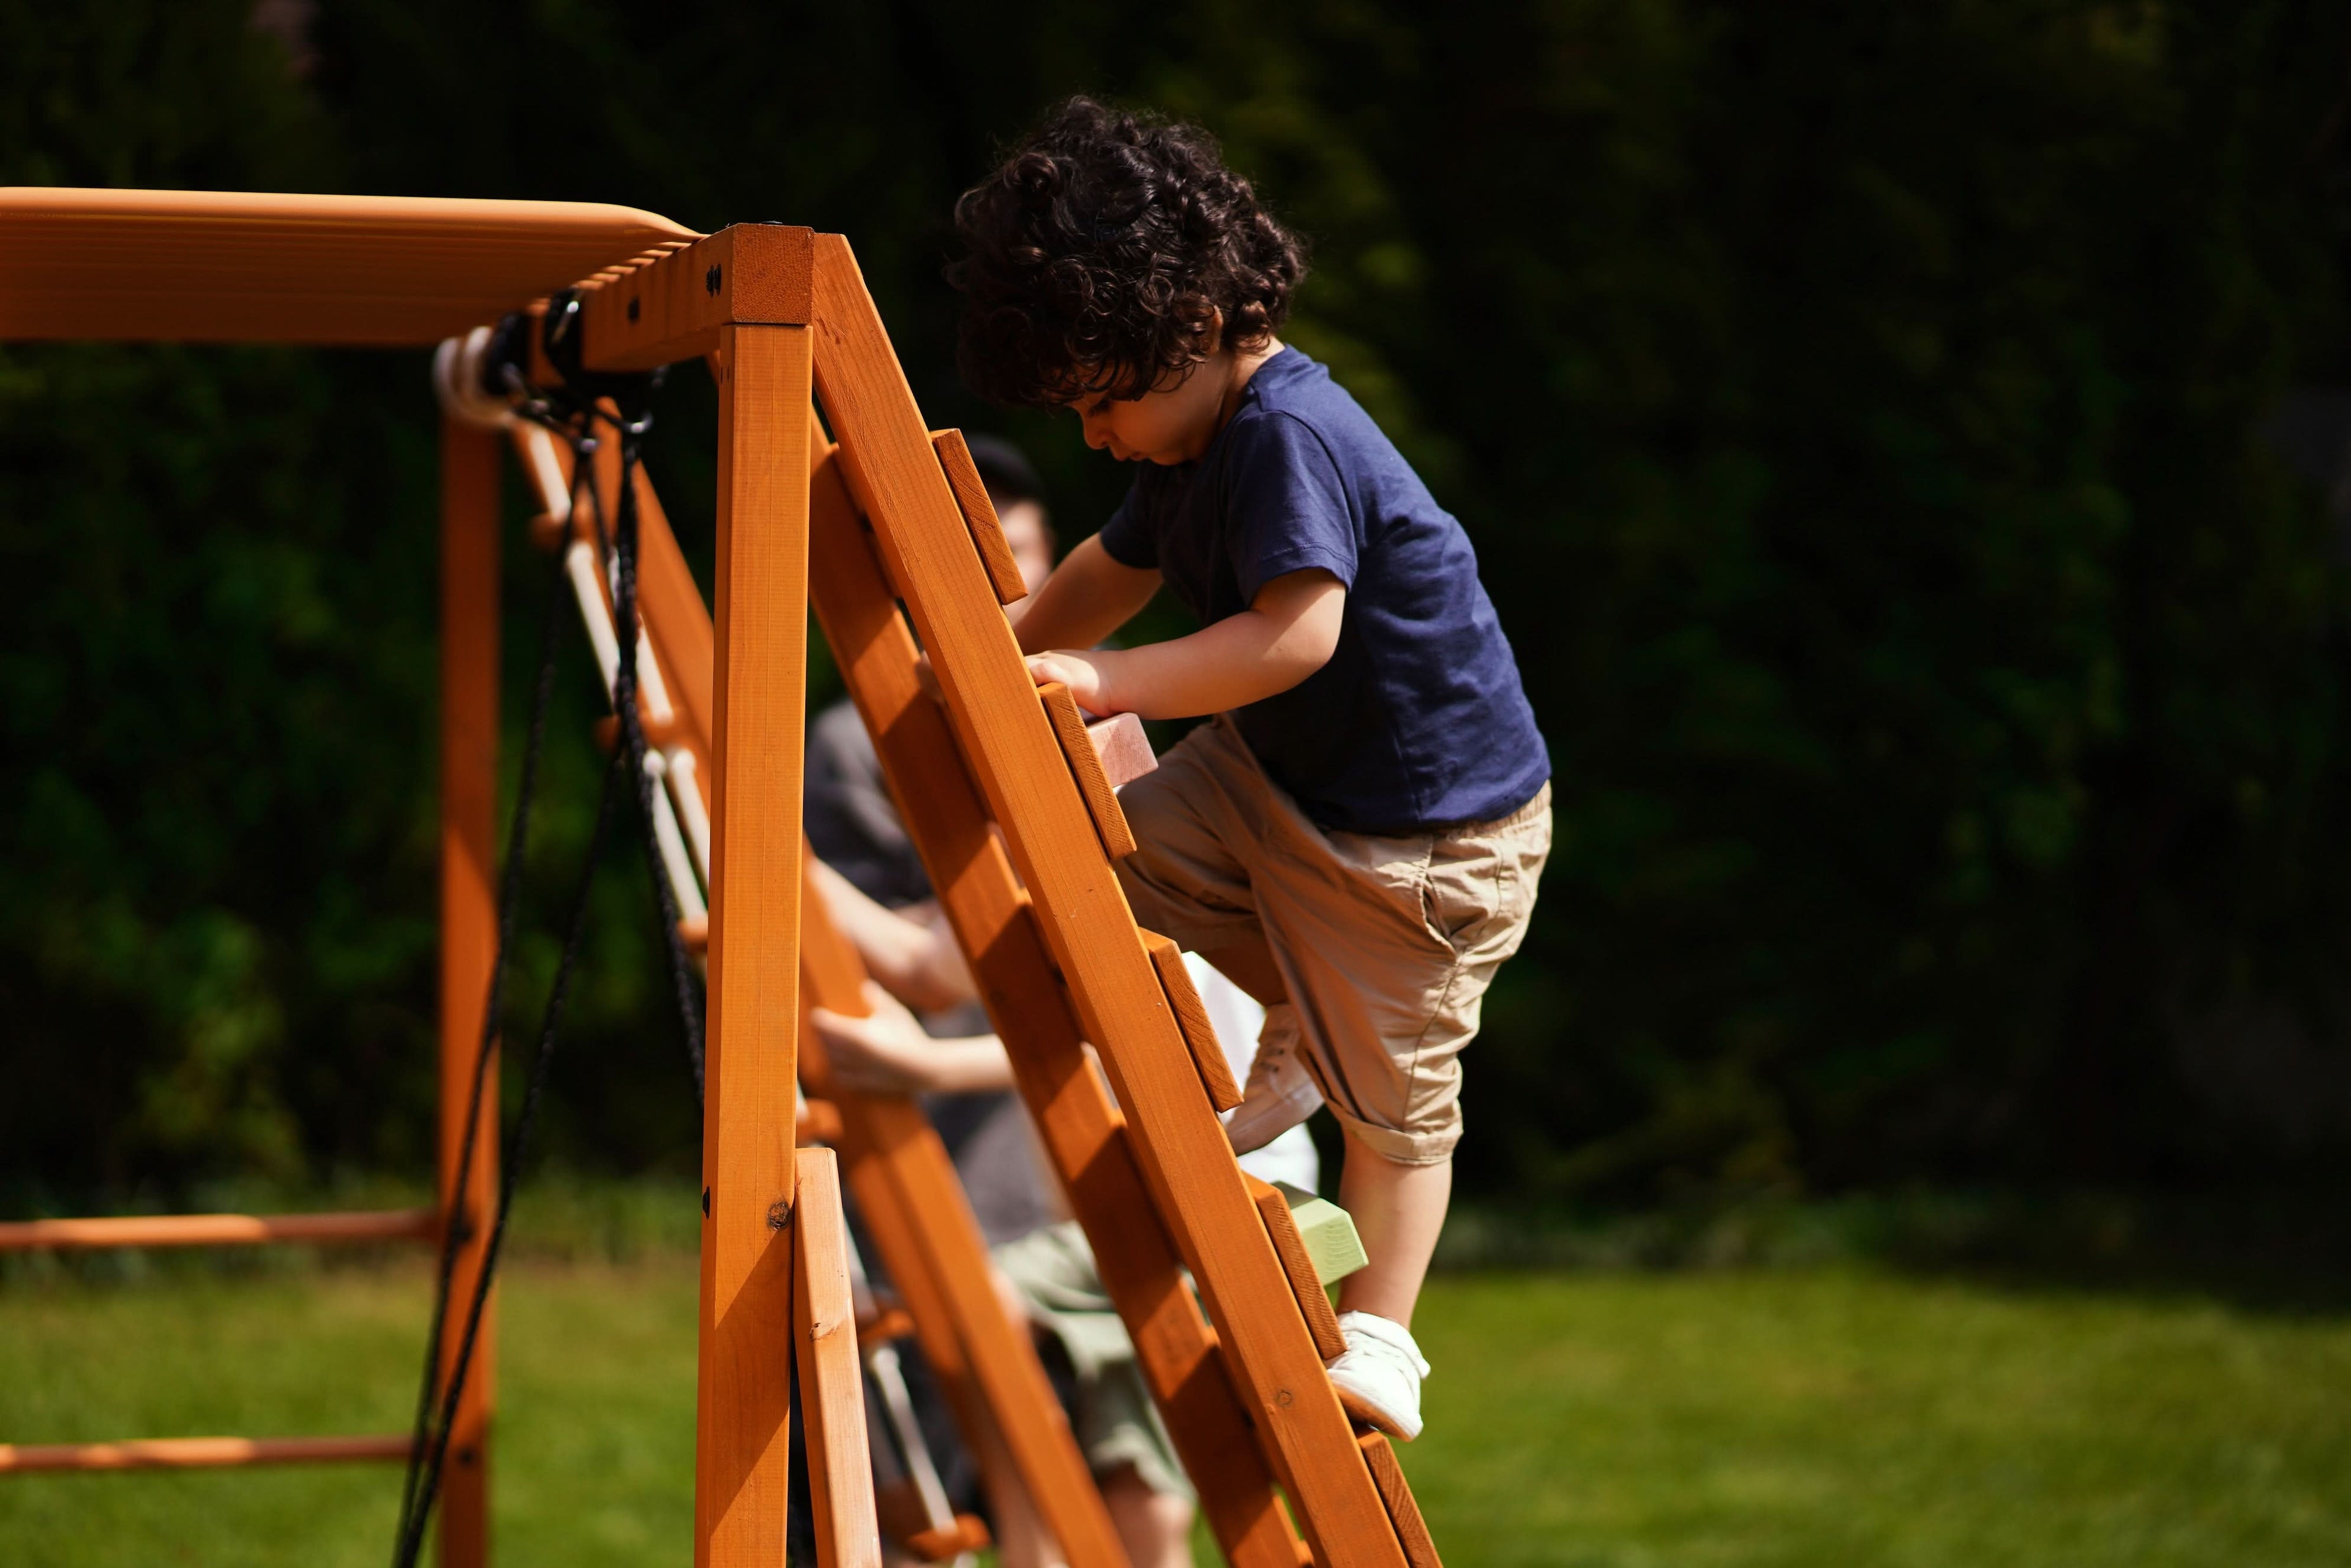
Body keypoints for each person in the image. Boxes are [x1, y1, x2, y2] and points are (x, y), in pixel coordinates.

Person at [948, 98, 1553, 1442]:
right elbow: (1107, 573)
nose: (1097, 436)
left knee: (1397, 1096)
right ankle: (1294, 1021)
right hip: (1281, 784)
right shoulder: (1186, 433)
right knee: (1114, 855)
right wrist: (993, 652)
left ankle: (1389, 1332)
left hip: (1427, 842)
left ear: (1193, 325)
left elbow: (1295, 634)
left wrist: (1101, 681)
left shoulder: (1288, 432)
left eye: (1104, 402)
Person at [811, 864, 1317, 1568]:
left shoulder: (1154, 890)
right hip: (1131, 1217)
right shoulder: (1054, 887)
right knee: (1137, 1479)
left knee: (983, 1299)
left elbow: (1124, 1035)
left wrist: (930, 1065)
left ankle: (1033, 1544)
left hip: (1225, 1204)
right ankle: (1037, 1533)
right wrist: (792, 865)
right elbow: (924, 961)